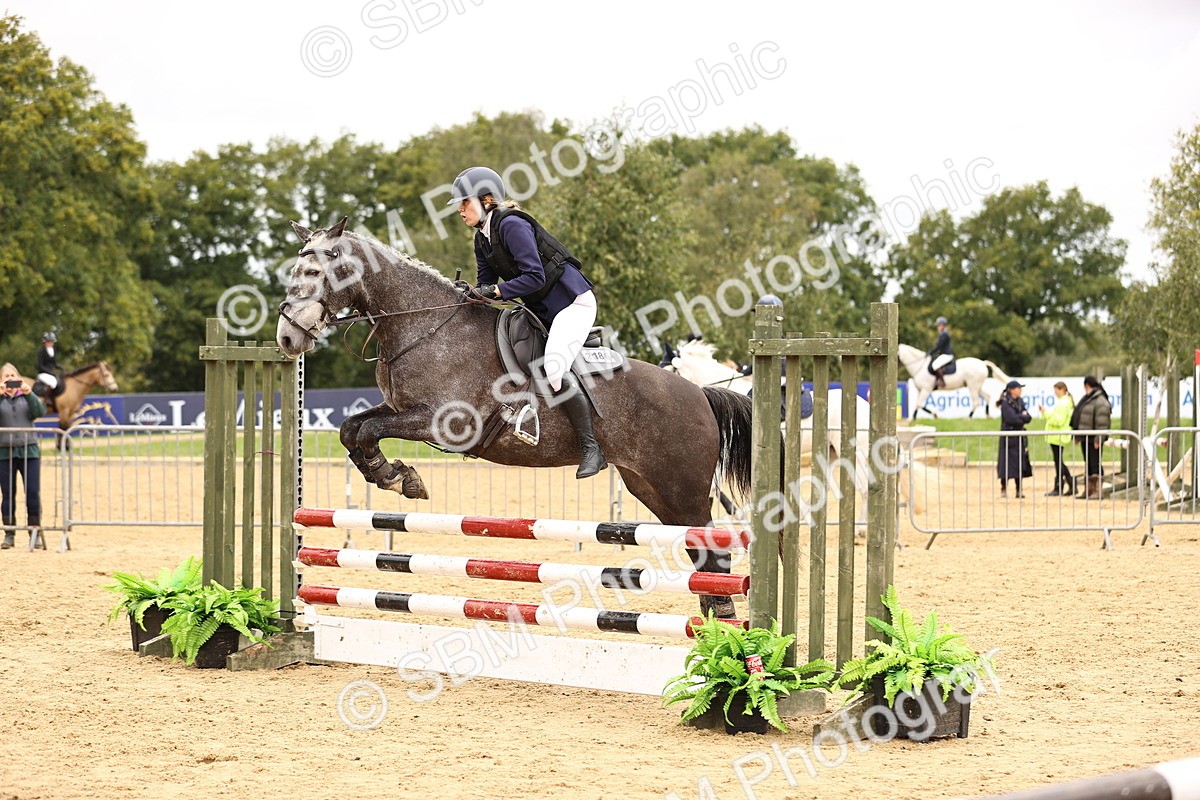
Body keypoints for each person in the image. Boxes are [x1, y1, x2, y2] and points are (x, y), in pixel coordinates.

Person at [449, 166, 605, 479]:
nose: (460, 209)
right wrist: (470, 295)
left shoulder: (511, 225)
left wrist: (492, 290)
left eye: (464, 202)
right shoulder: (483, 239)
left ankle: (592, 448)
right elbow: (486, 285)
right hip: (544, 310)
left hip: (572, 303)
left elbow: (533, 276)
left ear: (486, 200)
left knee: (554, 371)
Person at [0, 362, 45, 549]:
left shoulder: (27, 396)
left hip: (29, 451)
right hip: (4, 452)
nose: (10, 380)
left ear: (18, 379)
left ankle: (35, 533)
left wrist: (30, 394)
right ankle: (9, 534)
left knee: (33, 493)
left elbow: (39, 412)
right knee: (8, 494)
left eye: (13, 376)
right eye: (6, 377)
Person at [1070, 375, 1111, 500]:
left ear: (1087, 385)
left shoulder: (1100, 401)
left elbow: (1102, 423)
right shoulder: (1088, 399)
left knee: (1096, 463)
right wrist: (1077, 435)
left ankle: (1098, 491)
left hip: (1094, 439)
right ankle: (1089, 490)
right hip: (1085, 437)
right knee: (1088, 463)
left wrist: (1099, 439)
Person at [1039, 381, 1076, 497]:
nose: (1055, 393)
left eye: (1056, 390)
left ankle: (1060, 486)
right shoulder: (1065, 402)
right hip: (1058, 435)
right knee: (1059, 461)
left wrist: (1046, 413)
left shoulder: (1063, 403)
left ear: (1061, 390)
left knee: (1058, 462)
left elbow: (1058, 420)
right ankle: (1070, 484)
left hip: (1057, 435)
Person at [997, 379, 1031, 498]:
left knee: (1019, 463)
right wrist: (1022, 416)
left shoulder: (1020, 401)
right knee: (1005, 463)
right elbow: (1011, 418)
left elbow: (1028, 417)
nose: (1020, 390)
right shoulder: (1005, 402)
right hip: (1008, 436)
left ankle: (1019, 489)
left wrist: (1022, 417)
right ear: (1012, 390)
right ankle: (1004, 488)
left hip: (1019, 436)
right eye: (1018, 388)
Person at [33, 332, 62, 407]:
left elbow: (54, 363)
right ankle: (47, 399)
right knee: (53, 383)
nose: (50, 343)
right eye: (48, 342)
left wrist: (60, 367)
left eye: (51, 342)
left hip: (50, 373)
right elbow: (40, 366)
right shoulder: (41, 351)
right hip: (42, 373)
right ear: (45, 342)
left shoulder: (53, 350)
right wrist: (50, 372)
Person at [927, 316, 954, 389]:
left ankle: (941, 381)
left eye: (939, 325)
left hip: (947, 355)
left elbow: (938, 346)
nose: (938, 327)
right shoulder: (942, 333)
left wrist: (930, 353)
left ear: (942, 325)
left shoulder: (944, 334)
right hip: (943, 354)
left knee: (935, 365)